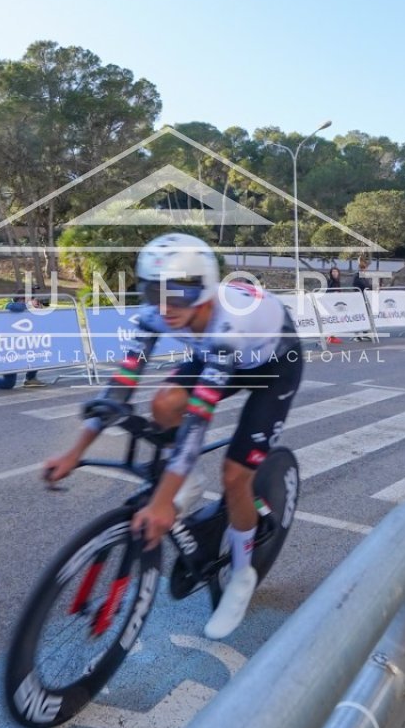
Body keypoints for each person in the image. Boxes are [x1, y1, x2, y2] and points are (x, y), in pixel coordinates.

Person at [42, 233, 303, 640]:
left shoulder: (226, 324)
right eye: (155, 292)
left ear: (205, 290)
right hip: (217, 353)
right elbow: (120, 386)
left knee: (235, 475)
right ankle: (188, 483)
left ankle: (242, 574)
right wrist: (74, 452)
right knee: (164, 403)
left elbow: (198, 421)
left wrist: (163, 501)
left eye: (179, 294)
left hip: (273, 365)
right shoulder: (156, 314)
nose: (166, 307)